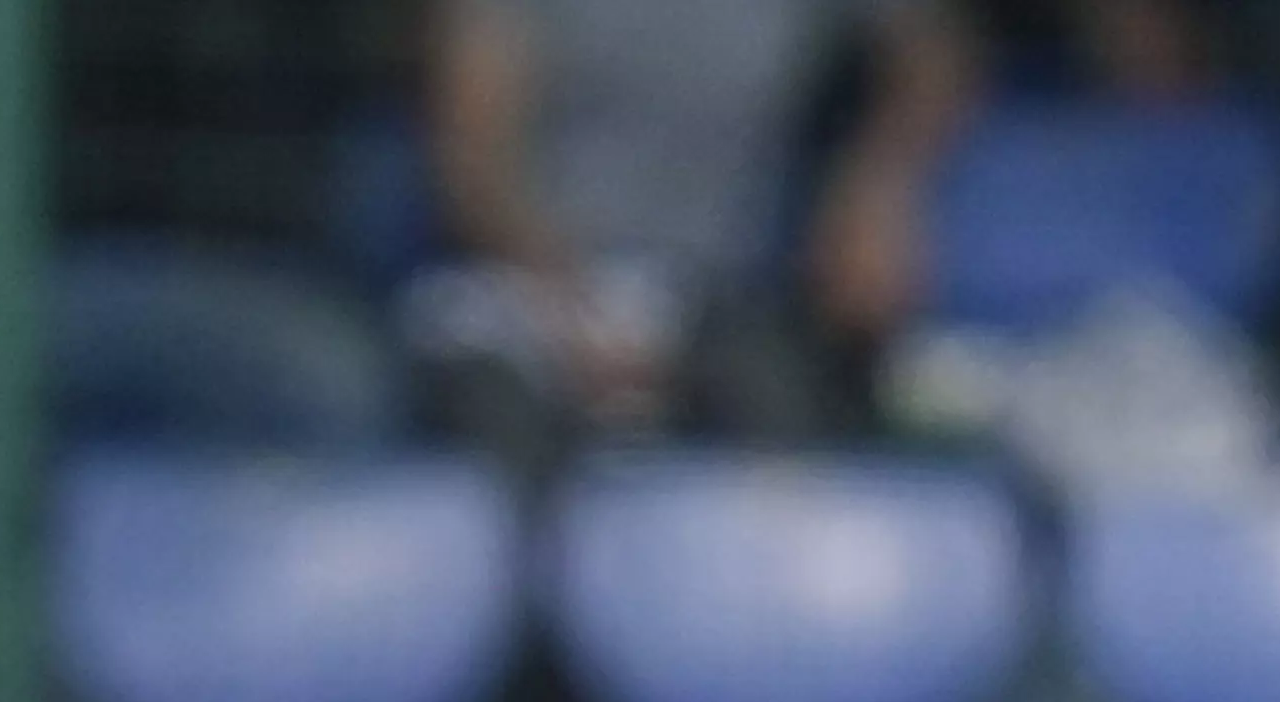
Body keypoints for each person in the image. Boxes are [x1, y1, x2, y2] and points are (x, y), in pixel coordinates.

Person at [407, 0, 976, 448]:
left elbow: (932, 53)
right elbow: (474, 162)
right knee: (505, 446)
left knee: (779, 415)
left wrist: (878, 183)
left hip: (706, 298)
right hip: (517, 297)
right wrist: (574, 311)